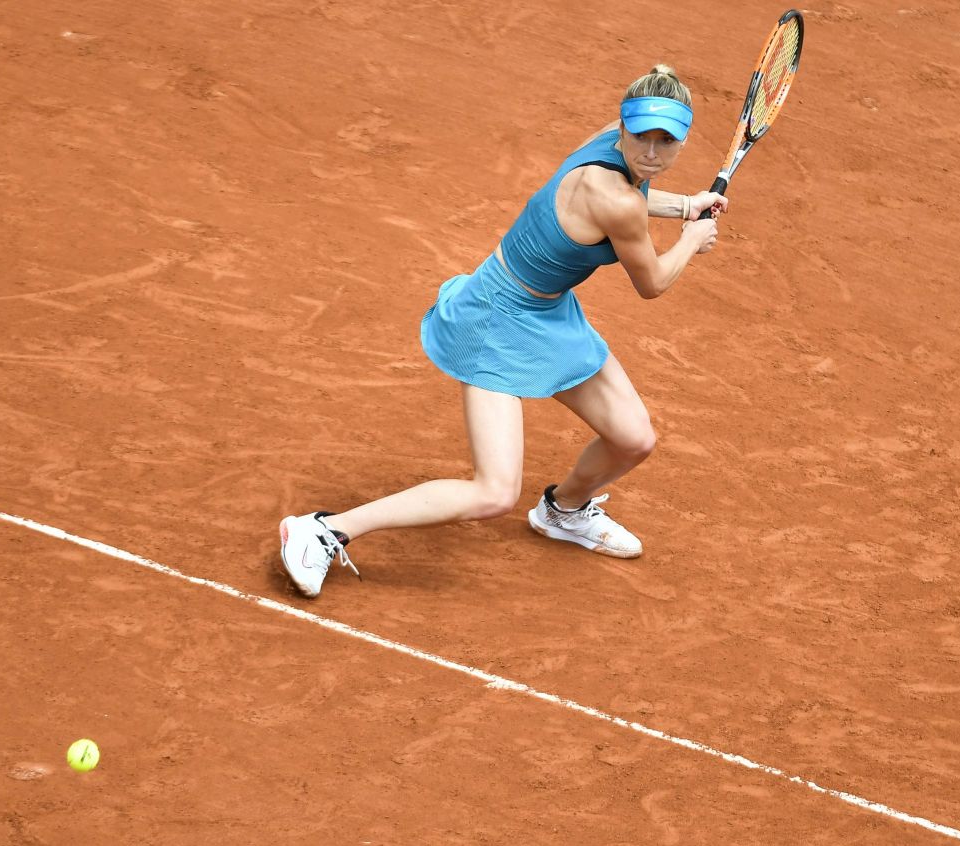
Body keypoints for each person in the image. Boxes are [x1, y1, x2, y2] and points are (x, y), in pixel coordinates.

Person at [279, 64, 726, 598]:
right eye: (642, 135)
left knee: (633, 438)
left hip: (548, 314)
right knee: (494, 493)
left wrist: (683, 204)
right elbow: (651, 281)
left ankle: (563, 512)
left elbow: (627, 194)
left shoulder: (609, 153)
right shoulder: (620, 201)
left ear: (681, 142)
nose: (651, 152)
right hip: (494, 318)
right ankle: (324, 530)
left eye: (666, 141)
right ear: (623, 127)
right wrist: (693, 237)